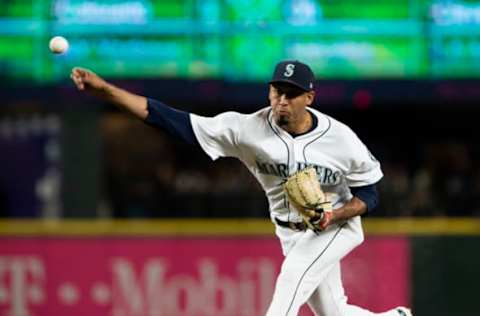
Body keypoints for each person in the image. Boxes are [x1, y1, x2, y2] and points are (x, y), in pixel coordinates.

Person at [71, 60, 412, 316]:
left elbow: (370, 192)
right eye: (277, 91)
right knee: (334, 312)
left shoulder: (341, 139)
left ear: (309, 97)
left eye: (292, 94)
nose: (282, 100)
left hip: (335, 225)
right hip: (289, 231)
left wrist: (335, 214)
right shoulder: (247, 129)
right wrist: (107, 91)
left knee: (290, 281)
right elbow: (168, 118)